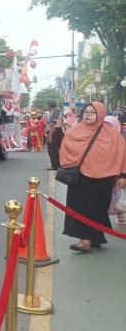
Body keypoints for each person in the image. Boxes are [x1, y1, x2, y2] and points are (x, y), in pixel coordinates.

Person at [59, 102, 126, 252]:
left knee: (98, 209)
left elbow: (122, 153)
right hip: (81, 178)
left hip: (104, 178)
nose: (88, 114)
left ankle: (95, 237)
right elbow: (65, 150)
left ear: (101, 114)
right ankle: (85, 240)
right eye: (86, 112)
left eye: (92, 112)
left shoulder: (111, 133)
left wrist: (122, 175)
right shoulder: (73, 132)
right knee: (80, 208)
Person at [46, 101, 64, 170]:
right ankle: (57, 164)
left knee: (52, 149)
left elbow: (52, 124)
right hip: (56, 131)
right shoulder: (55, 112)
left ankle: (55, 165)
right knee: (55, 149)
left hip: (55, 132)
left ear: (49, 106)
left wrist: (50, 135)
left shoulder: (55, 112)